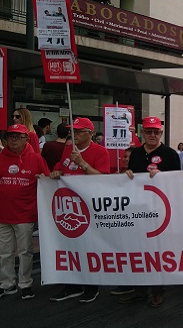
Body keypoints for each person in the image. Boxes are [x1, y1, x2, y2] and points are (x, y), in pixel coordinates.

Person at [118, 116, 181, 308]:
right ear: (142, 133)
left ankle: (158, 291)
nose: (152, 135)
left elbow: (178, 181)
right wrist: (126, 174)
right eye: (148, 132)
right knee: (137, 251)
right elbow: (130, 179)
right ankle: (139, 290)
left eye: (156, 132)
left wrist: (164, 177)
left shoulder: (170, 154)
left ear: (161, 134)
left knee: (157, 252)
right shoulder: (135, 154)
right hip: (138, 210)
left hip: (160, 212)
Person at [49, 117, 110, 303]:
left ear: (90, 134)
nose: (73, 135)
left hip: (89, 208)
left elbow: (103, 178)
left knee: (89, 248)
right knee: (70, 248)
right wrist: (56, 171)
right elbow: (60, 168)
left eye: (78, 131)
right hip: (69, 206)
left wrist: (83, 163)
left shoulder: (101, 152)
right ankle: (71, 285)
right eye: (72, 131)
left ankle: (92, 286)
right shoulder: (68, 149)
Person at [0, 124, 50, 300]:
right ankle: (7, 284)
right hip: (3, 214)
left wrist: (43, 179)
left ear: (26, 139)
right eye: (10, 136)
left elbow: (48, 181)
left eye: (17, 136)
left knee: (25, 252)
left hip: (24, 214)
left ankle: (25, 283)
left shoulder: (36, 159)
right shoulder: (1, 157)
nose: (13, 139)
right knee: (4, 252)